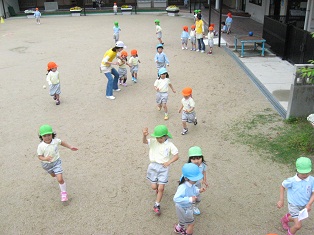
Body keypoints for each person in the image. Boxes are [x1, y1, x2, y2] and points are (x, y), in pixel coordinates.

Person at [143, 125, 179, 215]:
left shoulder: (170, 145)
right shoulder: (153, 141)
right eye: (157, 137)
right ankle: (157, 188)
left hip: (163, 168)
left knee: (161, 188)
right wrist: (144, 135)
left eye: (161, 138)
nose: (159, 139)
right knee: (154, 187)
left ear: (166, 136)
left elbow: (176, 156)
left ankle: (157, 204)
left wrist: (169, 162)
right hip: (153, 166)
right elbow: (144, 142)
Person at [37, 125, 78, 202]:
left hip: (56, 163)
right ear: (41, 136)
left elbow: (62, 142)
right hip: (46, 165)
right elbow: (39, 157)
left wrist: (70, 147)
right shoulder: (41, 146)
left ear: (52, 134)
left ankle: (63, 193)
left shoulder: (55, 141)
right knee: (53, 175)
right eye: (44, 136)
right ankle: (55, 174)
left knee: (60, 179)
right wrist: (45, 158)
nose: (47, 137)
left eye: (49, 135)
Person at [277, 157, 314, 235]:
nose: (305, 175)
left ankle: (285, 219)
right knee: (298, 225)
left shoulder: (312, 180)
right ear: (297, 170)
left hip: (304, 205)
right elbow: (282, 186)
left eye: (307, 173)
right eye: (302, 173)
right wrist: (281, 200)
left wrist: (309, 204)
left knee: (297, 218)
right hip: (294, 205)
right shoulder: (292, 181)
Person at [173, 163, 206, 235]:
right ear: (186, 178)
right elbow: (176, 198)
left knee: (182, 220)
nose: (196, 180)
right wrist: (189, 199)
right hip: (184, 208)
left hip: (186, 207)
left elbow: (194, 190)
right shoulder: (183, 187)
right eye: (194, 178)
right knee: (191, 224)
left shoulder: (191, 184)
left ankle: (178, 228)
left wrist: (199, 190)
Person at [187, 146, 208, 215]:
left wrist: (204, 180)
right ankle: (189, 207)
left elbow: (204, 171)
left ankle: (194, 207)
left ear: (202, 157)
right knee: (191, 198)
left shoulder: (203, 165)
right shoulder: (188, 167)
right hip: (190, 185)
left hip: (198, 184)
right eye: (193, 159)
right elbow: (185, 176)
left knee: (198, 199)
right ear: (190, 159)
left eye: (198, 158)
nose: (196, 161)